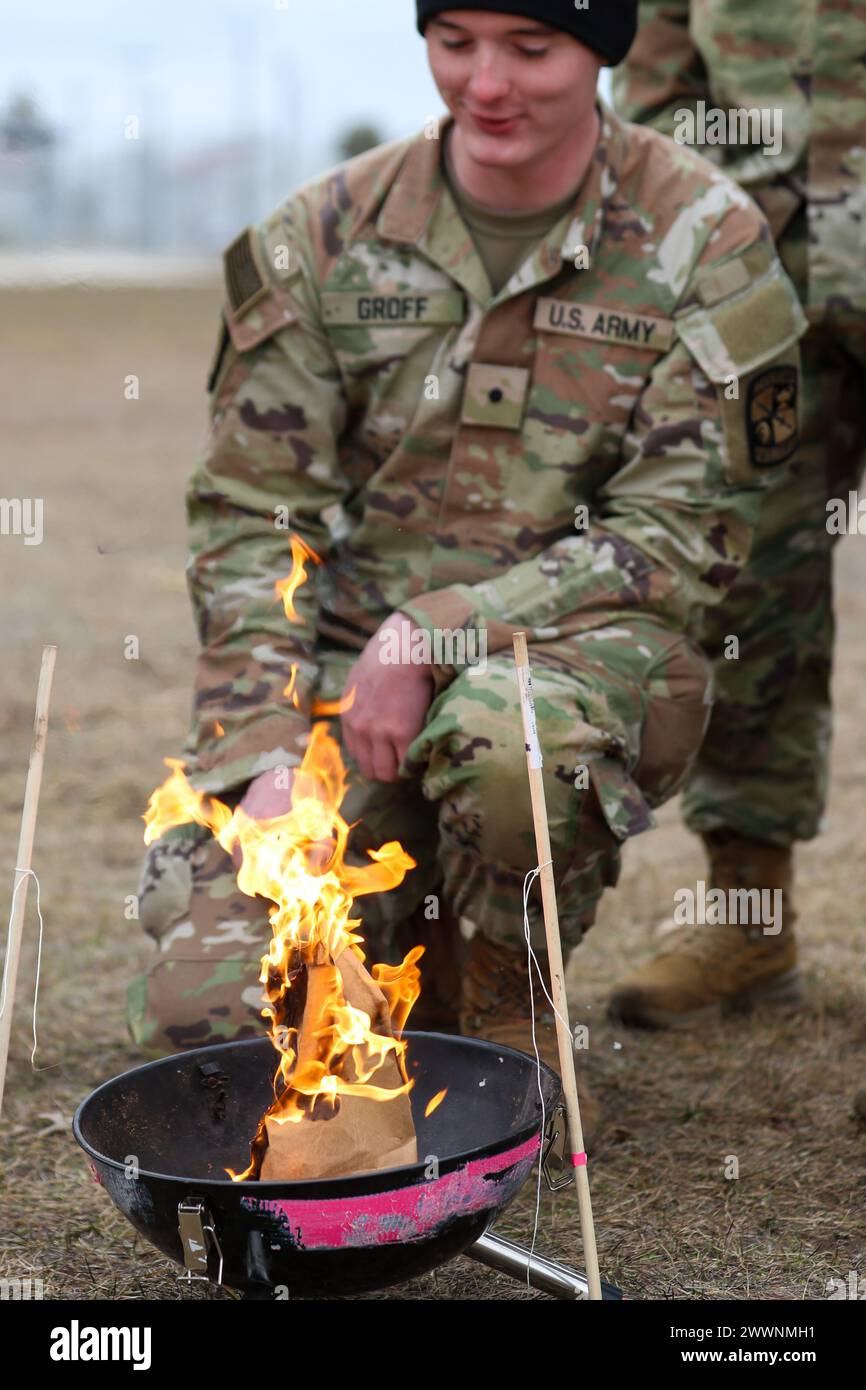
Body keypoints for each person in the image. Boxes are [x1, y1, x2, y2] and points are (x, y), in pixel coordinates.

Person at [128, 3, 805, 1128]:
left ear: (606, 50)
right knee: (206, 1017)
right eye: (453, 43)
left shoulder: (702, 237)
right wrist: (259, 751)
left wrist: (441, 628)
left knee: (503, 735)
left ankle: (507, 1009)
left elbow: (681, 535)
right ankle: (417, 968)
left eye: (530, 50)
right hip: (358, 676)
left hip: (580, 653)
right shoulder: (326, 234)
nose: (485, 82)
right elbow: (252, 509)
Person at [609, 1, 866, 1027]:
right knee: (750, 597)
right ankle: (750, 918)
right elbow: (656, 72)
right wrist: (707, 229)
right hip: (763, 286)